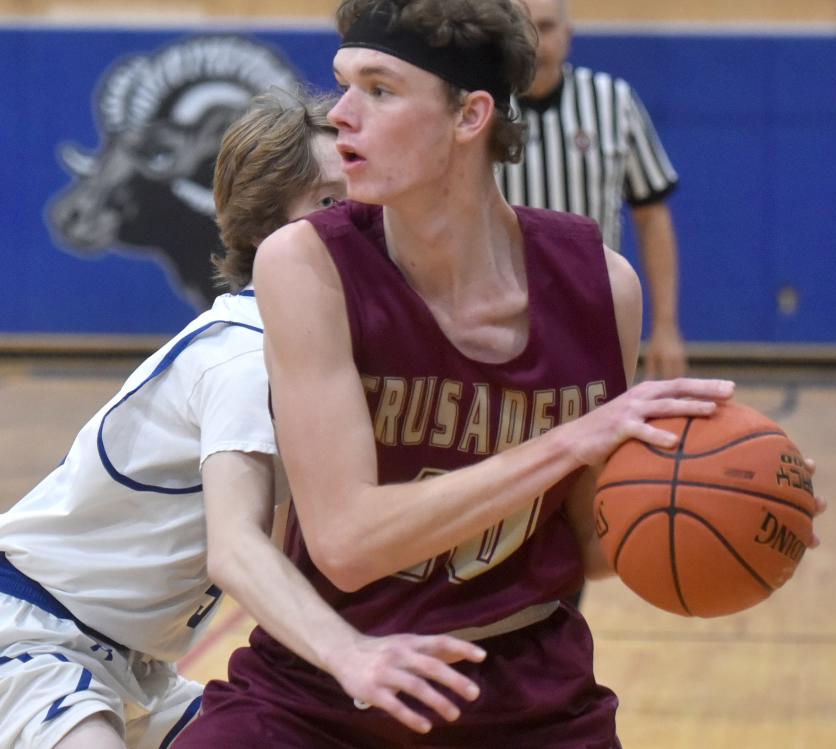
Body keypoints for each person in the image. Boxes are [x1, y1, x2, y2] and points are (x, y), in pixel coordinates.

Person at [170, 2, 759, 747]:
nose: (342, 115)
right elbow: (347, 543)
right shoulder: (306, 263)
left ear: (470, 114)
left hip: (526, 691)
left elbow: (588, 543)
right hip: (323, 688)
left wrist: (738, 494)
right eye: (344, 84)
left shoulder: (602, 287)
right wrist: (574, 439)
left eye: (380, 90)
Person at [0, 89, 485, 749]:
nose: (361, 220)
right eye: (329, 202)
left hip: (139, 666)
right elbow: (237, 550)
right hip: (35, 631)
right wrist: (348, 653)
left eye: (364, 199)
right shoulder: (243, 355)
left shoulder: (324, 351)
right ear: (269, 228)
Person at [498, 0, 687, 381]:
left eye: (547, 27)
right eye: (523, 29)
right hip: (500, 317)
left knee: (600, 433)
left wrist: (665, 326)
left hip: (594, 314)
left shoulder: (613, 101)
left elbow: (651, 215)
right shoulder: (479, 107)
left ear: (568, 35)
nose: (535, 43)